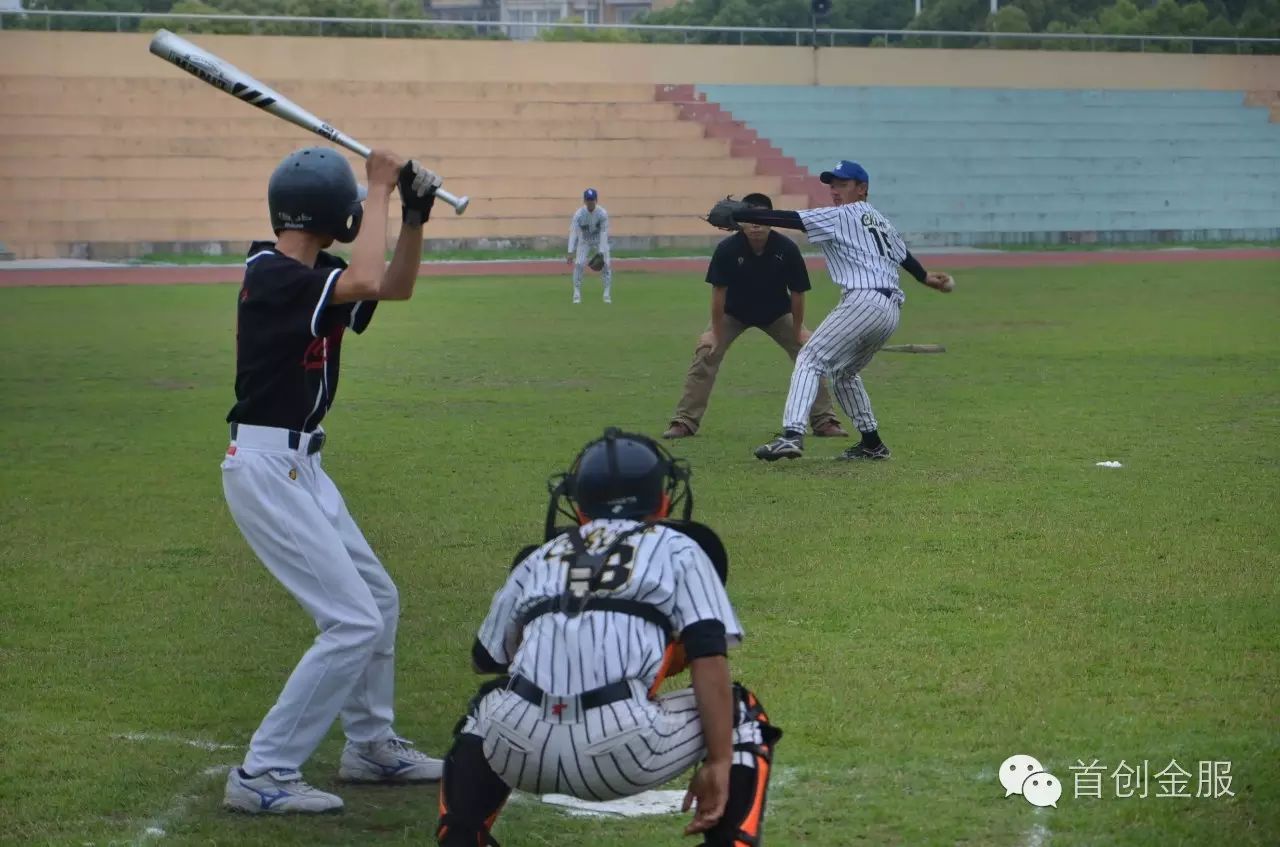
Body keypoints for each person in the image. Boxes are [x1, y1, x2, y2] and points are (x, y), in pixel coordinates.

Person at [220, 146, 446, 814]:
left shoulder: (313, 272)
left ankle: (369, 745)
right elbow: (372, 276)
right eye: (348, 200)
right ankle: (262, 771)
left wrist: (412, 217)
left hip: (303, 465)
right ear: (326, 210)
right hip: (265, 468)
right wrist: (379, 185)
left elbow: (391, 285)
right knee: (350, 620)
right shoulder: (272, 275)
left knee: (379, 597)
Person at [435, 428, 782, 847]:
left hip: (517, 748)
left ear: (578, 505)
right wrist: (720, 761)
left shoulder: (542, 556)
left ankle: (460, 837)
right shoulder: (678, 547)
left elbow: (486, 659)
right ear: (663, 499)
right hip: (624, 751)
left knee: (487, 705)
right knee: (741, 713)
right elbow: (710, 659)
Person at [704, 161, 953, 462]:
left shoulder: (842, 215)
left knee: (809, 358)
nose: (835, 190)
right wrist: (924, 277)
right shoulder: (878, 220)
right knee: (843, 373)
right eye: (832, 185)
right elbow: (902, 254)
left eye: (843, 184)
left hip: (864, 301)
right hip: (888, 310)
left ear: (862, 189)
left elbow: (791, 219)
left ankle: (791, 435)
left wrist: (742, 214)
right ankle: (872, 443)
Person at [663, 192, 847, 440]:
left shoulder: (787, 249)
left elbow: (798, 293)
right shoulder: (727, 249)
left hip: (777, 312)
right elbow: (718, 293)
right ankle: (684, 421)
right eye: (751, 219)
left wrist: (799, 329)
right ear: (740, 221)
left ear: (772, 220)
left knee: (810, 352)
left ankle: (825, 421)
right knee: (706, 352)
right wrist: (715, 333)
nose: (756, 225)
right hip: (734, 312)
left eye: (762, 218)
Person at [566, 187, 612, 304]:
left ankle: (606, 294)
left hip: (598, 240)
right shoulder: (579, 215)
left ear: (596, 200)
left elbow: (604, 232)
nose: (590, 202)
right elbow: (573, 232)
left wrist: (601, 252)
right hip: (584, 241)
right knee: (579, 264)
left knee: (606, 265)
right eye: (588, 200)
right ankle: (576, 293)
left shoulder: (602, 214)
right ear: (584, 201)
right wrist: (570, 251)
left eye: (592, 200)